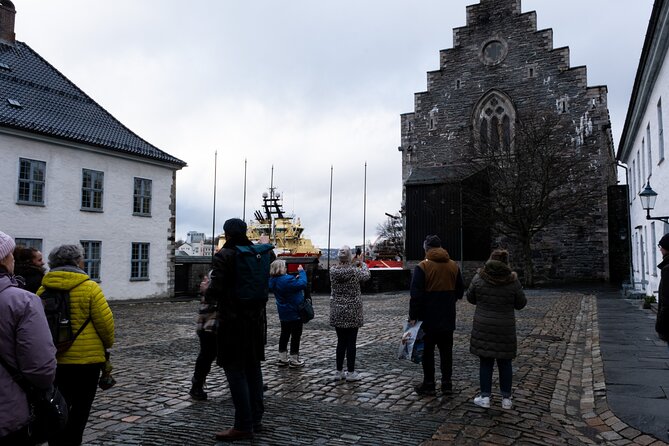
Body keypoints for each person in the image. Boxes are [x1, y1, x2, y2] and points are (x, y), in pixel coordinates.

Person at [39, 244, 115, 446]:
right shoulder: (90, 287)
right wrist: (106, 346)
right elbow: (106, 326)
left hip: (54, 360)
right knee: (80, 412)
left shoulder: (43, 288)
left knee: (56, 407)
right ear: (78, 262)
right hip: (86, 363)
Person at [205, 218, 273, 442]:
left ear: (227, 233)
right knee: (253, 368)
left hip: (232, 322)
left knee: (235, 371)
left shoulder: (224, 256)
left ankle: (243, 425)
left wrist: (207, 289)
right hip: (256, 322)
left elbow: (215, 291)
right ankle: (256, 419)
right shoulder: (260, 254)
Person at [0, 231, 57, 446]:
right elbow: (40, 368)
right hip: (8, 412)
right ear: (4, 260)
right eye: (11, 254)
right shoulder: (22, 301)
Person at [466, 249, 526, 410]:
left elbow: (470, 297)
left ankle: (485, 396)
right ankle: (506, 398)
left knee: (486, 361)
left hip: (483, 325)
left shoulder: (479, 277)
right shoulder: (513, 281)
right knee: (505, 362)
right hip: (505, 327)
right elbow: (521, 303)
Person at [409, 235, 464, 396]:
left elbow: (416, 295)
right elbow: (460, 291)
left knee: (427, 352)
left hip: (427, 319)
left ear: (426, 249)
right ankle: (447, 384)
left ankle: (429, 384)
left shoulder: (422, 267)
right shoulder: (453, 266)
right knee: (446, 352)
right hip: (447, 316)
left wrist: (413, 316)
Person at [329, 245, 370, 382]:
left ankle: (338, 371)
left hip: (338, 310)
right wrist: (362, 263)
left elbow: (343, 268)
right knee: (351, 342)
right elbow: (366, 275)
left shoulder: (332, 271)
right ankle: (351, 373)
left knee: (341, 342)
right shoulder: (354, 272)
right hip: (353, 310)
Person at [269, 260, 307, 368]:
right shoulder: (287, 280)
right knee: (295, 335)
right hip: (294, 311)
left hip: (283, 312)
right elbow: (303, 284)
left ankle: (282, 357)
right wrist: (302, 272)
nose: (286, 268)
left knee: (284, 334)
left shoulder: (273, 280)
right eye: (284, 267)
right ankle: (294, 359)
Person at [189, 272, 218, 401]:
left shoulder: (214, 275)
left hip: (210, 323)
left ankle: (197, 385)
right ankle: (196, 385)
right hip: (210, 324)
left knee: (207, 356)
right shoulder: (215, 276)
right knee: (206, 356)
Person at [656, 234, 669, 347]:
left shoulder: (667, 269)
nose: (660, 249)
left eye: (661, 246)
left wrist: (660, 324)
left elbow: (666, 300)